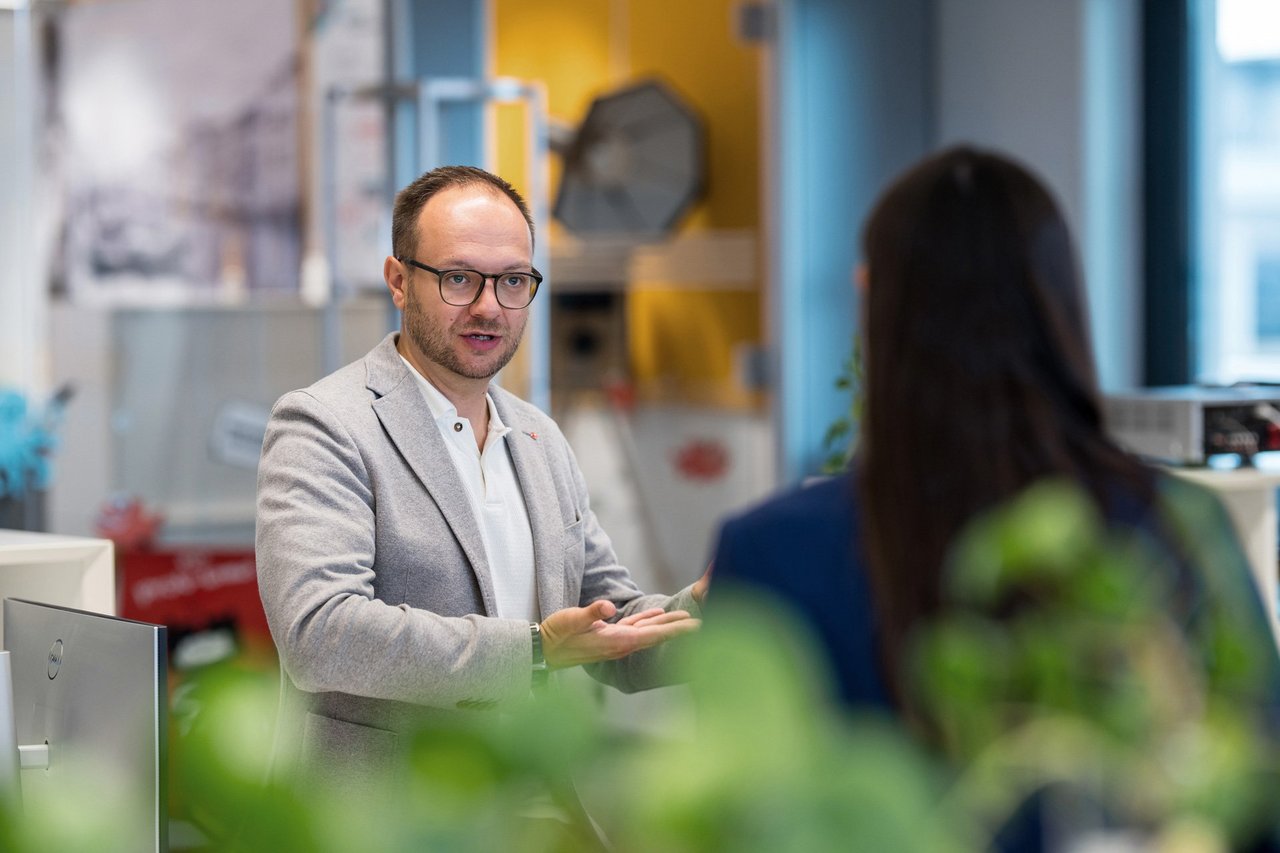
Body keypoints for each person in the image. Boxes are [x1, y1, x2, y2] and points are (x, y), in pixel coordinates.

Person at [708, 146, 1280, 842]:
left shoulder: (773, 552)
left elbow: (735, 824)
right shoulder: (1170, 527)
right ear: (1062, 301)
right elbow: (1254, 800)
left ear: (872, 306)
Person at [256, 165, 706, 794]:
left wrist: (706, 608)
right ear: (398, 281)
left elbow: (608, 620)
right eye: (459, 278)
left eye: (513, 281)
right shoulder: (325, 424)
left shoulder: (538, 437)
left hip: (531, 810)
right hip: (379, 820)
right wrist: (531, 650)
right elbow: (321, 634)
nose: (489, 307)